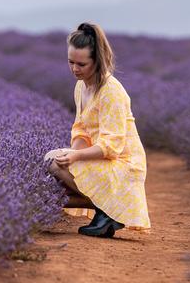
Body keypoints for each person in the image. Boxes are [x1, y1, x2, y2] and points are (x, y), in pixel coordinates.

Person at [47, 22, 151, 237]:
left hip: (123, 166)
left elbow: (112, 147)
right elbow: (81, 129)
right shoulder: (82, 85)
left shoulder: (111, 92)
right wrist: (72, 151)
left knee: (56, 166)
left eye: (82, 64)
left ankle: (112, 209)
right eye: (71, 62)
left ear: (97, 61)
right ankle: (107, 210)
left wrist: (76, 157)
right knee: (52, 161)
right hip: (103, 159)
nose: (75, 69)